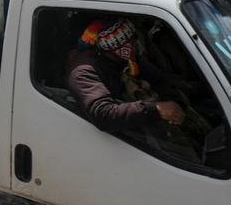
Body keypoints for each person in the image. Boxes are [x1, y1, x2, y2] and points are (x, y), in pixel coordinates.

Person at [67, 17, 201, 161]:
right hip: (119, 143)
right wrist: (156, 109)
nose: (135, 45)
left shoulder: (126, 58)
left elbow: (159, 79)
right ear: (116, 46)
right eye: (130, 41)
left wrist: (176, 104)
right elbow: (103, 114)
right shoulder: (84, 71)